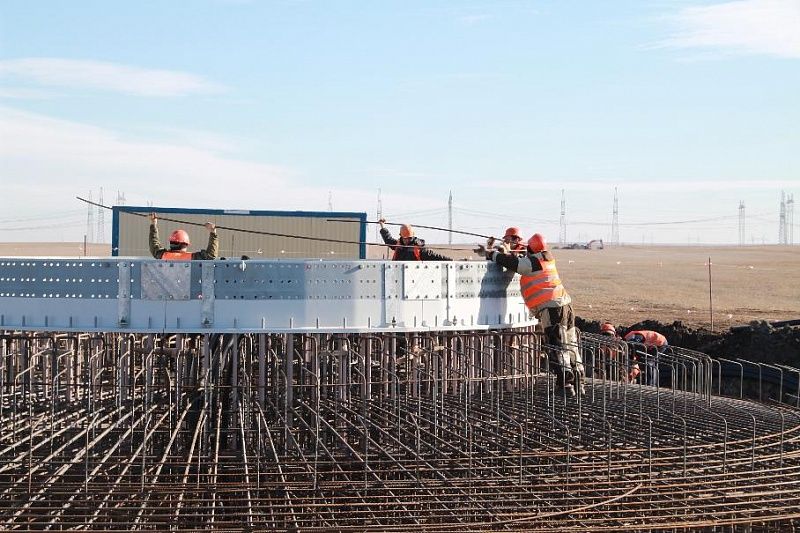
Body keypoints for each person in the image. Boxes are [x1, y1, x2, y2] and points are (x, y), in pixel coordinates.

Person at [481, 232, 584, 397]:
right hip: (566, 306)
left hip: (552, 309)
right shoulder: (546, 258)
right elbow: (520, 256)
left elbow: (513, 263)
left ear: (531, 249)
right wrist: (508, 247)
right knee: (571, 346)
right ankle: (579, 382)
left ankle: (565, 385)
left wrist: (492, 254)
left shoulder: (534, 263)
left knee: (557, 346)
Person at [149, 212, 219, 260]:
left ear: (171, 243)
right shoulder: (191, 257)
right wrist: (213, 232)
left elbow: (154, 245)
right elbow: (211, 255)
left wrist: (153, 223)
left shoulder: (163, 255)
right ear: (186, 244)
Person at [378, 218, 452, 261]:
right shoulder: (398, 244)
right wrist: (382, 226)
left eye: (409, 238)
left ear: (412, 236)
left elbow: (435, 256)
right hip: (397, 276)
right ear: (401, 236)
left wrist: (450, 260)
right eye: (405, 238)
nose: (406, 240)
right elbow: (388, 239)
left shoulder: (419, 248)